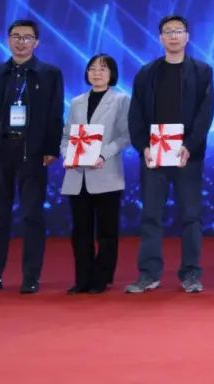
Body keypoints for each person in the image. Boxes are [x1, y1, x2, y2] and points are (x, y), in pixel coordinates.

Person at [0, 19, 64, 295]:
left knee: (32, 215)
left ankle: (31, 276)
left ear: (37, 42)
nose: (21, 42)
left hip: (32, 154)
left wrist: (51, 148)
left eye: (27, 37)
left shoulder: (49, 74)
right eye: (16, 36)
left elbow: (55, 114)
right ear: (8, 39)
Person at [125, 14, 214, 294]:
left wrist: (190, 145)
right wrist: (143, 146)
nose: (173, 36)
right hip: (154, 155)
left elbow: (205, 113)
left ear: (187, 37)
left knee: (191, 217)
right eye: (168, 31)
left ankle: (191, 274)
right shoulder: (146, 73)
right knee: (151, 216)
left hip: (188, 156)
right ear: (160, 37)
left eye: (178, 31)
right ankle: (149, 274)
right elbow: (135, 114)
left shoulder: (202, 72)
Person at [60, 54, 130, 294]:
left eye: (103, 69)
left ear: (112, 74)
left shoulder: (121, 100)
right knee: (80, 231)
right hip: (77, 174)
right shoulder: (77, 101)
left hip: (106, 172)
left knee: (107, 232)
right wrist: (67, 155)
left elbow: (125, 136)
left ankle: (101, 278)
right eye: (92, 69)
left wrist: (103, 155)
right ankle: (82, 279)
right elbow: (67, 136)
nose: (96, 73)